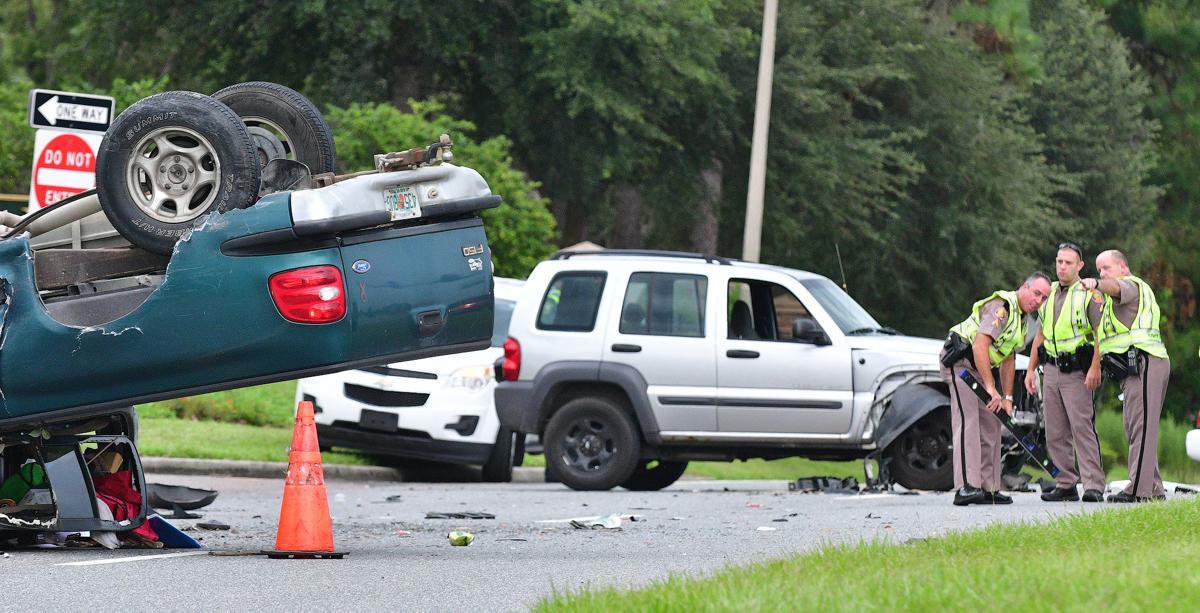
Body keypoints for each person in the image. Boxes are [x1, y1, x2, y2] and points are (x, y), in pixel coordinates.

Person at [940, 272, 1051, 506]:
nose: (1038, 301)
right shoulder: (1002, 307)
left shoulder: (1021, 320)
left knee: (992, 422)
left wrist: (1007, 397)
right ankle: (965, 487)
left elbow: (1008, 358)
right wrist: (991, 388)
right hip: (961, 363)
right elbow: (981, 345)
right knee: (968, 422)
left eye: (1043, 298)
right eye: (1036, 293)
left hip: (981, 370)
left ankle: (989, 488)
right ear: (1024, 287)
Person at [1079, 250, 1169, 502]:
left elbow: (1115, 287)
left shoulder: (1130, 285)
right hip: (1135, 367)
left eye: (1106, 268)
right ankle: (1152, 488)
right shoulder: (1111, 301)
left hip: (1146, 361)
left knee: (1141, 427)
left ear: (1123, 267)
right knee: (1136, 427)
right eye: (1099, 270)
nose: (1102, 273)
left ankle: (1139, 492)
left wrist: (1096, 283)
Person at [1024, 243, 1106, 502]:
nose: (1062, 267)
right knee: (1055, 430)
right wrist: (1030, 369)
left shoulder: (1088, 294)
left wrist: (1095, 366)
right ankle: (1066, 483)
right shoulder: (1049, 295)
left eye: (1068, 263)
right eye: (1059, 261)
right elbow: (1041, 333)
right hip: (1050, 369)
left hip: (1077, 372)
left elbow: (1099, 334)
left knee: (1082, 427)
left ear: (1080, 266)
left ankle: (1093, 484)